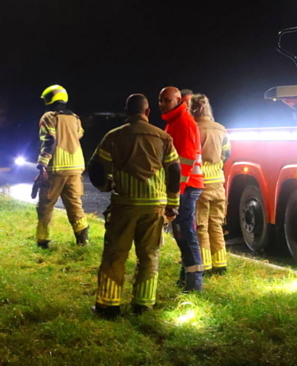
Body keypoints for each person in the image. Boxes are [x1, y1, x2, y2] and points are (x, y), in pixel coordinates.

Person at [88, 94, 180, 317]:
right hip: (154, 206)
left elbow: (95, 167)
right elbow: (175, 170)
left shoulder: (114, 136)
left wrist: (106, 186)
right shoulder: (163, 137)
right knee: (149, 255)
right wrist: (172, 203)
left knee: (115, 254)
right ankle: (143, 305)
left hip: (125, 205)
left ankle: (108, 306)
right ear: (147, 112)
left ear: (126, 112)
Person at [159, 86, 204, 292]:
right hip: (186, 186)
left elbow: (184, 162)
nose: (162, 104)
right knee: (182, 234)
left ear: (178, 100)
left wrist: (175, 194)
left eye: (167, 100)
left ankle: (194, 285)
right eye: (160, 100)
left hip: (186, 187)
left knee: (185, 233)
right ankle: (187, 278)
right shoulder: (176, 121)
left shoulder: (182, 123)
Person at [35, 84, 89, 248]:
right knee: (75, 204)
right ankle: (82, 240)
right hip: (76, 166)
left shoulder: (48, 117)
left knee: (45, 204)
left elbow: (49, 141)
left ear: (50, 99)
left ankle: (42, 240)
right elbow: (78, 135)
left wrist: (42, 164)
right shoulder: (76, 118)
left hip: (56, 168)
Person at [190, 94, 231, 275]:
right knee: (216, 224)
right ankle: (220, 264)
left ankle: (205, 265)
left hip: (201, 183)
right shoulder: (221, 128)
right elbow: (226, 154)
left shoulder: (193, 129)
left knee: (201, 226)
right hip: (218, 183)